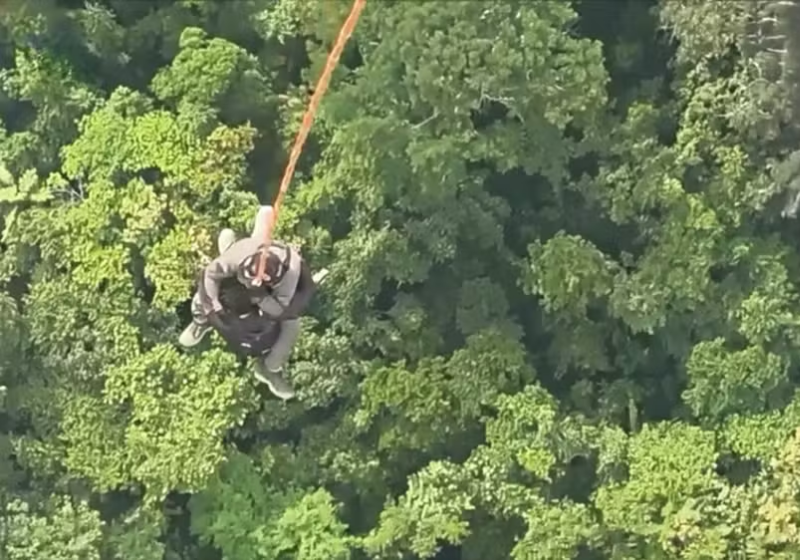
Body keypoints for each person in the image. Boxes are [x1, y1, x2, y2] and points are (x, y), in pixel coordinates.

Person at [178, 205, 317, 400]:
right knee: (207, 293)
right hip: (244, 258)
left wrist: (259, 296)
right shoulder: (241, 255)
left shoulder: (290, 274)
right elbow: (210, 274)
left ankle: (269, 368)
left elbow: (280, 310)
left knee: (292, 326)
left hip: (270, 296)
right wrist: (213, 308)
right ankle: (200, 322)